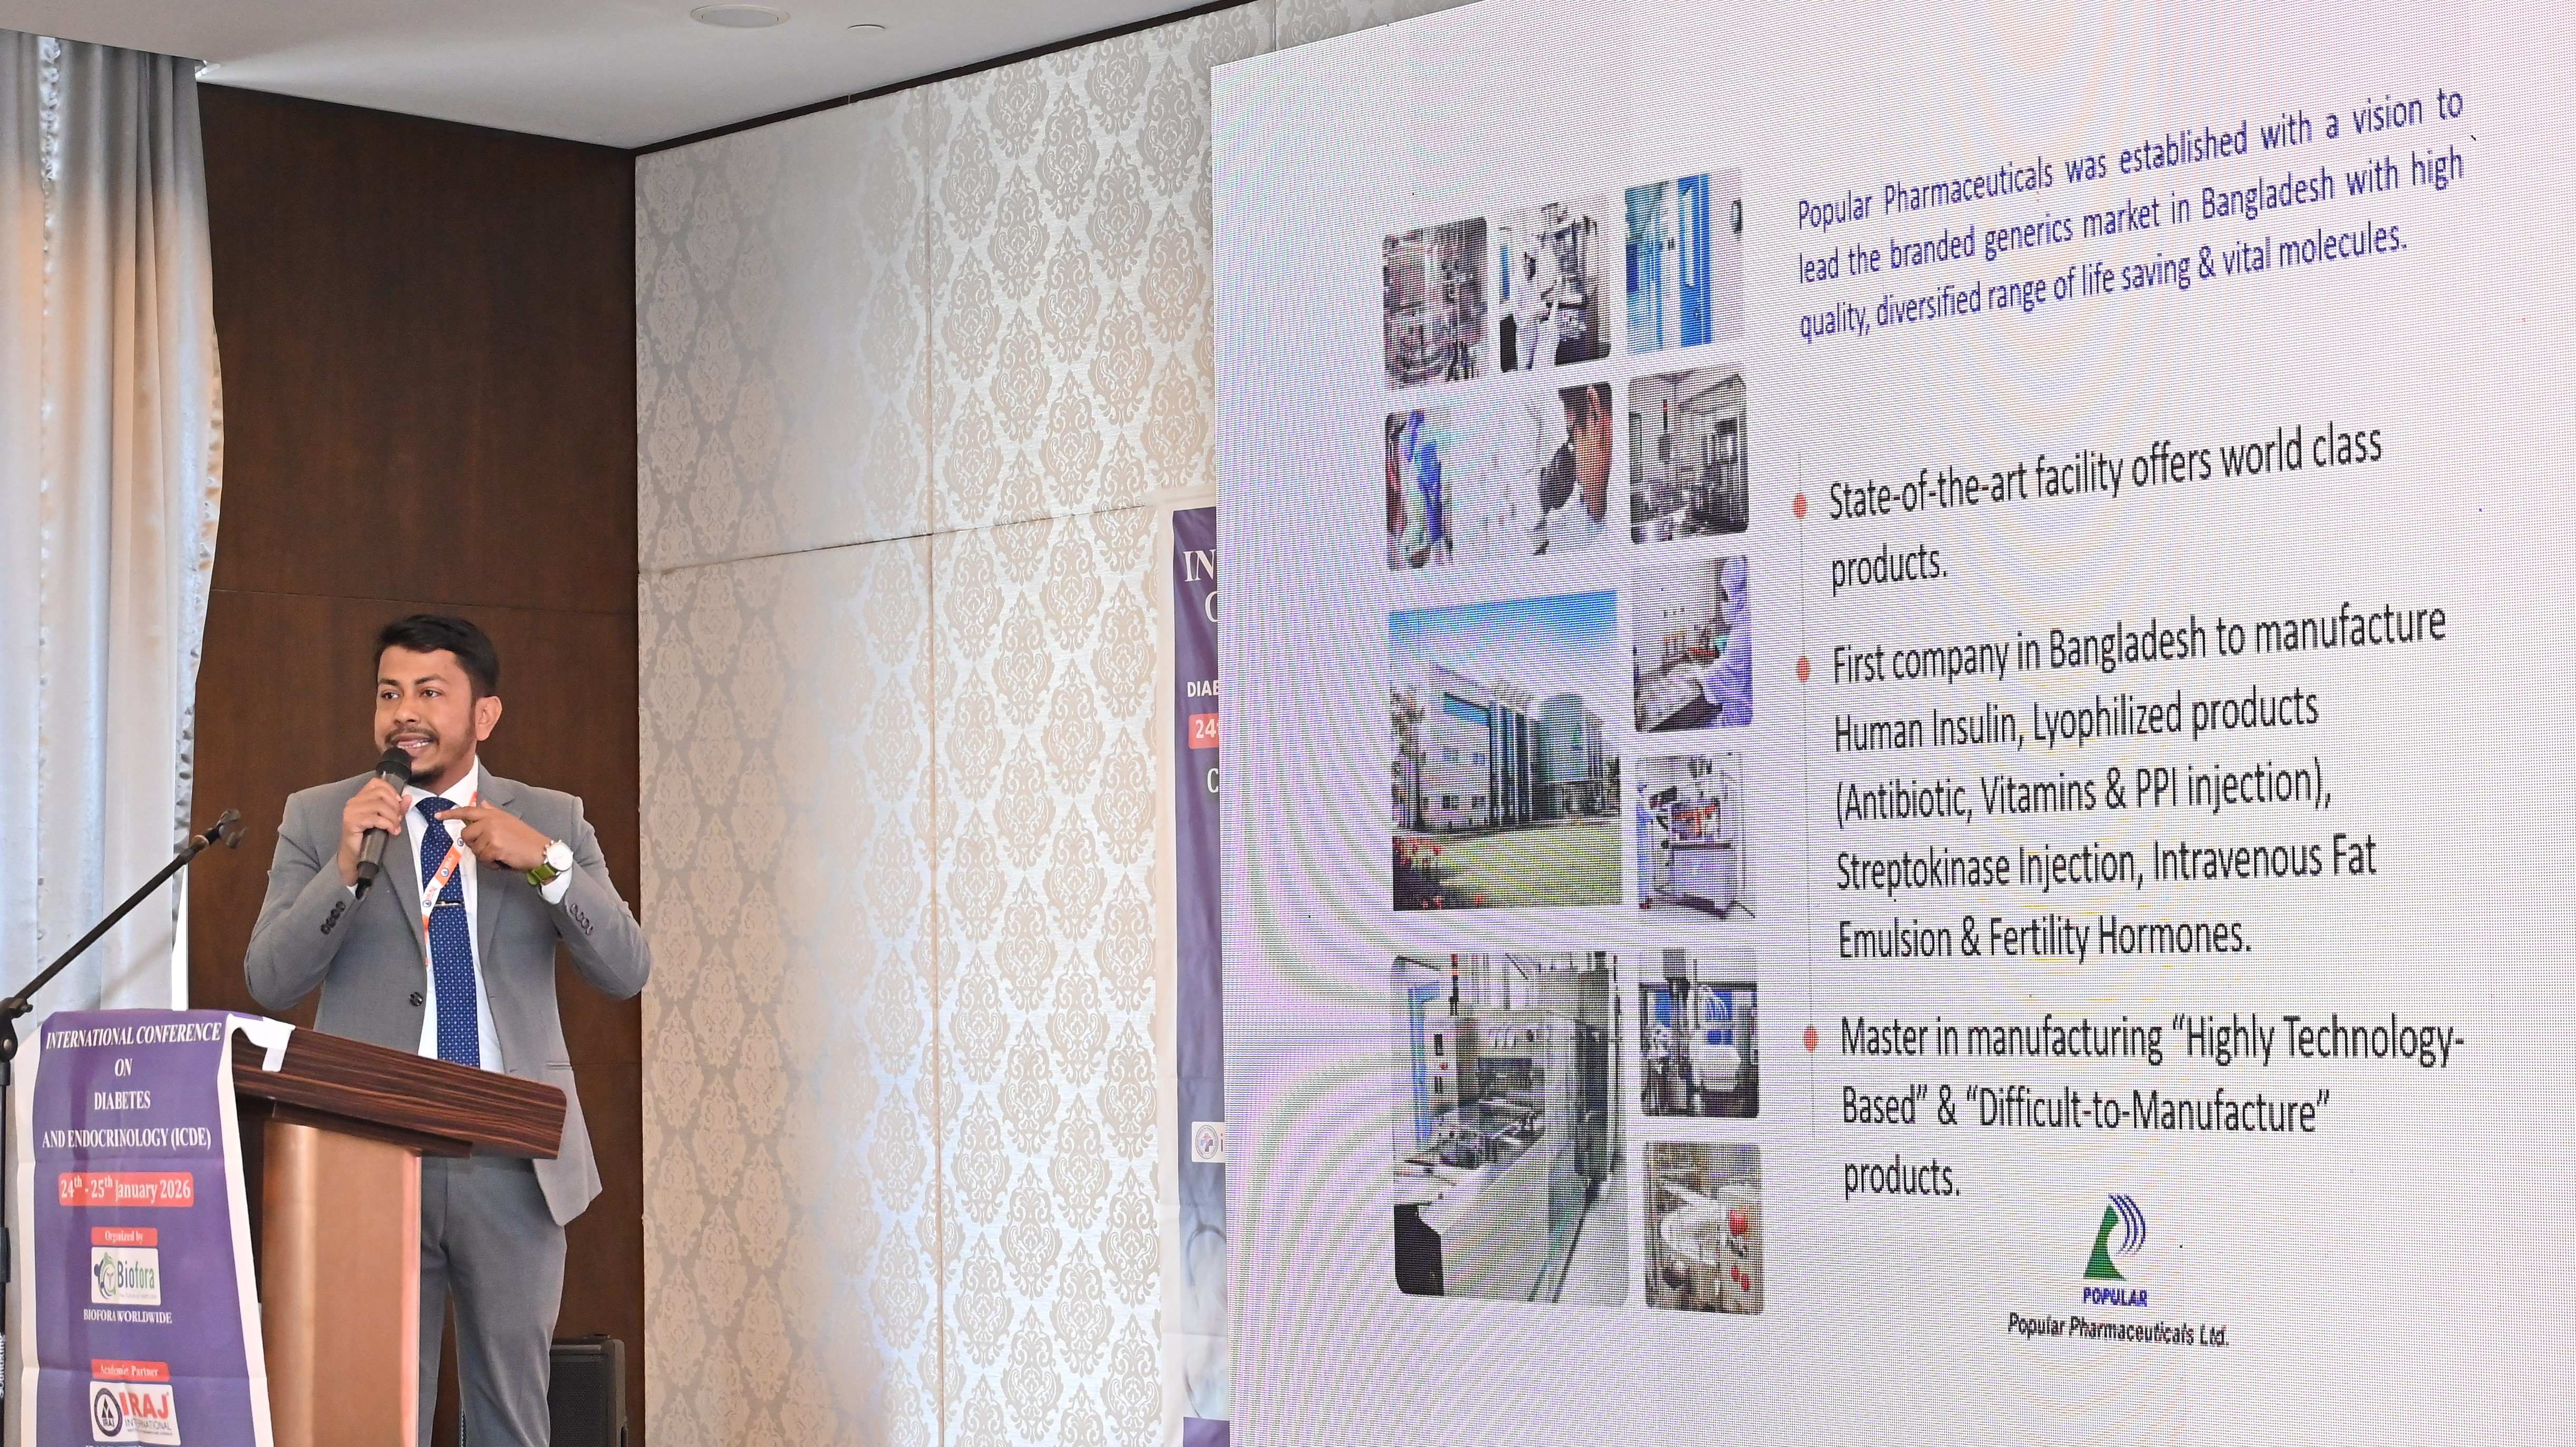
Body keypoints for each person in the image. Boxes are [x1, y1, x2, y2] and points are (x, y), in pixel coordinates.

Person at [244, 614, 651, 1447]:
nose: (406, 712)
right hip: (369, 1157)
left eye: (431, 692)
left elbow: (625, 969)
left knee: (510, 1415)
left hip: (513, 1160)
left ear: (483, 714)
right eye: (390, 693)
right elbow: (270, 980)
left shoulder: (552, 818)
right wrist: (343, 870)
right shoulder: (322, 818)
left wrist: (545, 863)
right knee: (374, 1417)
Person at [1533, 382, 1614, 556]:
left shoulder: (1582, 545)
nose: (1575, 459)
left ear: (1595, 412)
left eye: (1573, 437)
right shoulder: (1566, 528)